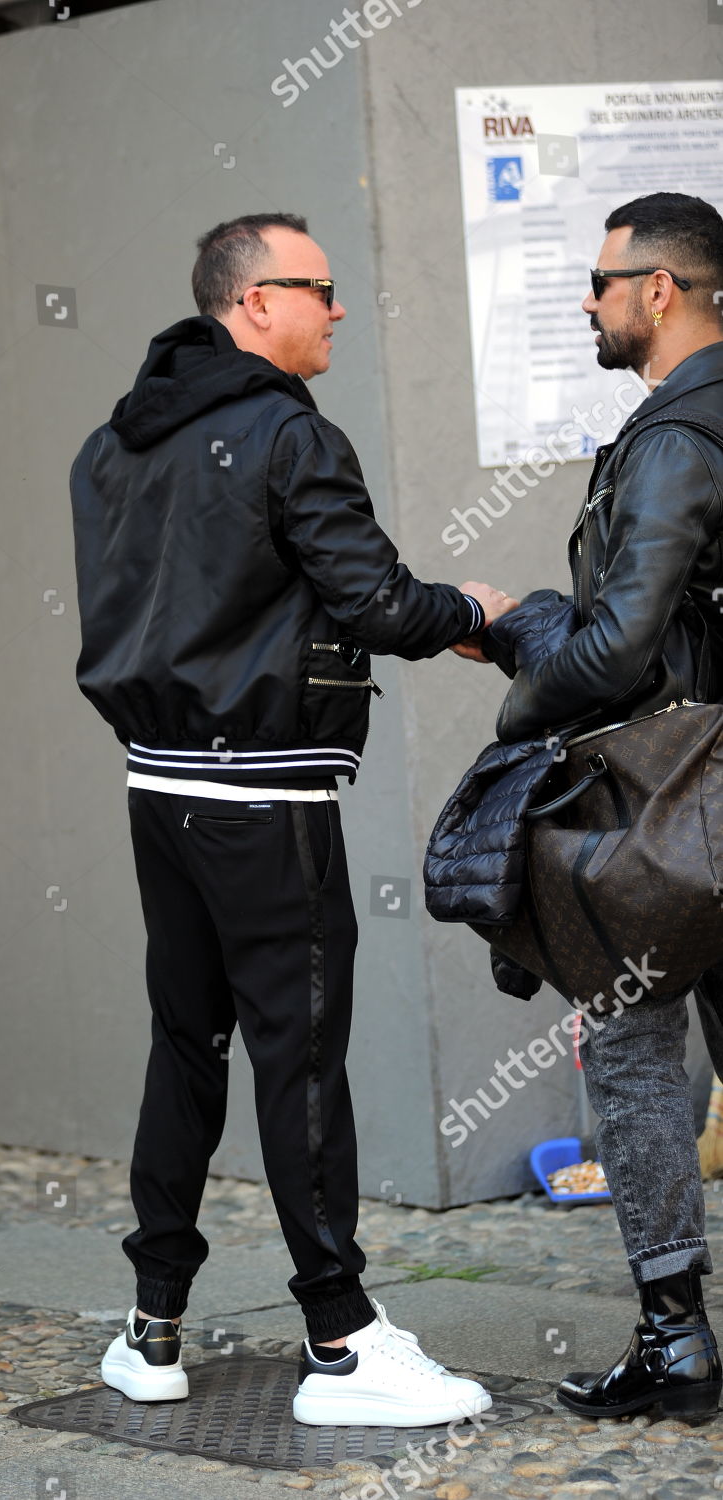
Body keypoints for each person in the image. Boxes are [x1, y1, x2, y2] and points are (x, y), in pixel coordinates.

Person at [70, 211, 514, 1427]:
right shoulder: (282, 431)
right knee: (299, 1057)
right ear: (250, 302)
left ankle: (150, 1330)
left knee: (185, 1045)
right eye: (316, 288)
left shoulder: (111, 444)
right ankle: (338, 1341)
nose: (336, 309)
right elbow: (370, 598)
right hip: (262, 794)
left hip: (159, 786)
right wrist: (469, 606)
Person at [472, 192, 723, 1421]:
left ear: (659, 290)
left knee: (625, 1049)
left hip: (679, 802)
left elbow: (624, 648)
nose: (587, 298)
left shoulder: (675, 440)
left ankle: (675, 1341)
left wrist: (519, 654)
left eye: (600, 279)